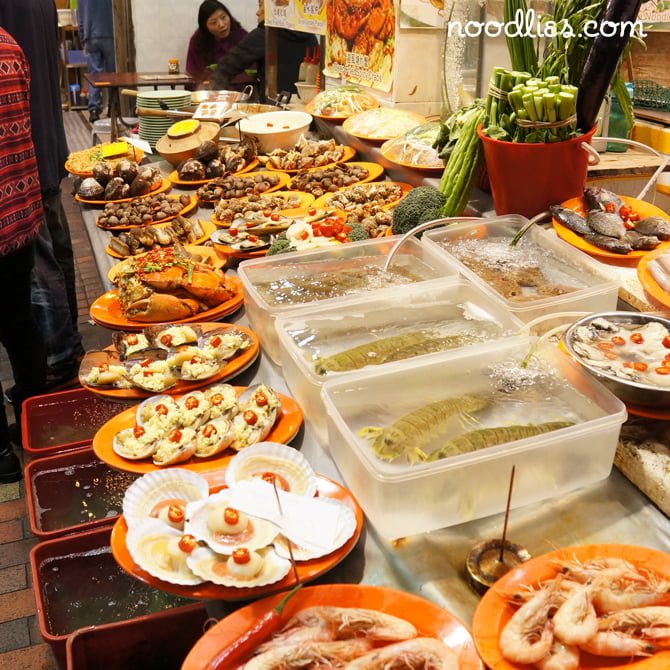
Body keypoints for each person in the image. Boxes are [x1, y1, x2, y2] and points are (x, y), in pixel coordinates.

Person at [1, 0, 85, 395]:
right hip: (43, 138)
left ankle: (59, 358)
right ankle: (69, 347)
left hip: (16, 158)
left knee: (40, 264)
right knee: (55, 248)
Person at [0, 27, 48, 483]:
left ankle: (1, 455)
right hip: (17, 209)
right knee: (17, 320)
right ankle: (36, 422)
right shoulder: (10, 44)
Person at [210, 1, 317, 100]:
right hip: (306, 105)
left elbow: (226, 66)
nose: (257, 12)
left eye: (260, 5)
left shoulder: (265, 35)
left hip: (275, 105)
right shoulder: (310, 35)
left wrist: (212, 96)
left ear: (275, 8)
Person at [186, 0, 247, 84]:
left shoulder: (242, 35)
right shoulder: (197, 42)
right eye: (213, 22)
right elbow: (193, 75)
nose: (221, 25)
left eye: (223, 17)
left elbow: (252, 70)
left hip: (240, 90)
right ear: (205, 27)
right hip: (208, 91)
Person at [77, 0, 115, 123]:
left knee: (95, 75)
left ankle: (94, 109)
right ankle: (113, 107)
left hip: (91, 35)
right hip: (110, 33)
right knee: (112, 75)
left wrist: (83, 39)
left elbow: (80, 17)